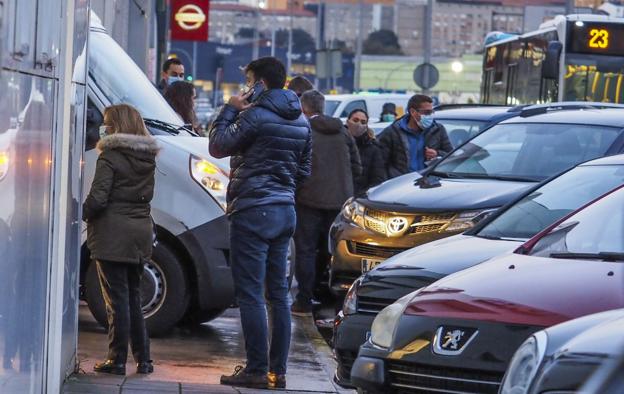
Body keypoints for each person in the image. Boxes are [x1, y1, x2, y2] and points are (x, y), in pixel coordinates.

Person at [209, 57, 311, 390]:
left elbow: (218, 145)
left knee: (251, 293)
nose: (244, 88)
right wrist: (280, 189)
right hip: (284, 211)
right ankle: (277, 372)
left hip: (253, 210)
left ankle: (255, 369)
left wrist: (229, 108)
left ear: (260, 84)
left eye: (248, 81)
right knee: (278, 295)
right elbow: (304, 173)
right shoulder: (302, 122)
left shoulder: (254, 115)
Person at [83, 104, 159, 376]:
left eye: (106, 123)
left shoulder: (111, 156)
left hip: (112, 234)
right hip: (139, 233)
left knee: (116, 302)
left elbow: (99, 197)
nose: (103, 127)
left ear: (115, 126)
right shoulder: (147, 157)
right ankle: (144, 359)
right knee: (133, 298)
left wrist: (83, 211)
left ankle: (116, 360)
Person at [291, 90, 361, 316]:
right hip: (339, 201)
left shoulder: (303, 131)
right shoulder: (342, 131)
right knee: (329, 249)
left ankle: (303, 299)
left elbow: (296, 166)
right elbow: (357, 167)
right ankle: (327, 295)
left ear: (304, 109)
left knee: (305, 250)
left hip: (308, 200)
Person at [378, 94, 452, 178]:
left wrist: (437, 154)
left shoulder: (438, 130)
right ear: (413, 112)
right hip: (400, 184)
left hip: (428, 183)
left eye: (431, 112)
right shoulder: (393, 131)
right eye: (427, 112)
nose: (430, 116)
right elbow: (379, 162)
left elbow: (451, 156)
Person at [346, 109, 386, 195]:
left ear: (366, 126)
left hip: (358, 198)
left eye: (363, 122)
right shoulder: (338, 142)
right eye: (355, 120)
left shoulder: (373, 149)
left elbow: (378, 179)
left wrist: (361, 195)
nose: (358, 124)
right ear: (347, 121)